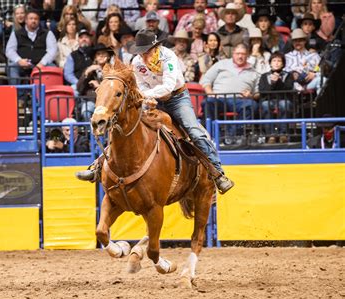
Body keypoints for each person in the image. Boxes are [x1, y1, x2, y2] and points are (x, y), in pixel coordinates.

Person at [76, 29, 235, 194]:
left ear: (156, 47)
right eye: (141, 52)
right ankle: (98, 165)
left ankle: (217, 173)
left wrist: (146, 95)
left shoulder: (168, 57)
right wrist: (147, 97)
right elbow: (141, 83)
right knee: (128, 125)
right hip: (153, 99)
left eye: (147, 51)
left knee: (194, 130)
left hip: (177, 98)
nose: (144, 55)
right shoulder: (137, 62)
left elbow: (169, 85)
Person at [200, 43, 259, 142]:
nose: (240, 56)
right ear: (233, 54)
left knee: (251, 105)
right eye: (238, 53)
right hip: (219, 98)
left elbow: (257, 93)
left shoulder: (253, 71)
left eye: (243, 54)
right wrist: (210, 92)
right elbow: (206, 79)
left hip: (241, 100)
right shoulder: (221, 64)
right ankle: (213, 136)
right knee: (208, 102)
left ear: (247, 55)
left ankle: (232, 136)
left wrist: (251, 96)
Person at [5, 9, 57, 85]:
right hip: (22, 63)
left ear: (39, 21)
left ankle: (46, 94)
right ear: (26, 20)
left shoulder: (47, 33)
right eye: (31, 19)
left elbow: (52, 51)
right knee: (12, 67)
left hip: (41, 64)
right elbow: (9, 50)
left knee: (53, 67)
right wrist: (19, 60)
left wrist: (42, 63)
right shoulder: (16, 34)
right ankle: (18, 94)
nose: (33, 21)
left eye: (36, 19)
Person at [258, 52, 294, 144]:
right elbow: (262, 90)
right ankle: (271, 134)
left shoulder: (288, 75)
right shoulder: (264, 76)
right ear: (270, 63)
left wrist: (278, 81)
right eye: (274, 61)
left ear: (283, 64)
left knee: (284, 104)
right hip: (269, 99)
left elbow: (288, 87)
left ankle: (283, 134)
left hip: (283, 99)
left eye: (279, 61)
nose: (276, 63)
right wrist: (273, 83)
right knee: (265, 105)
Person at [76, 44, 114, 121]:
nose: (101, 56)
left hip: (107, 102)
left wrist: (99, 86)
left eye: (104, 53)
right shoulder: (89, 70)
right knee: (86, 111)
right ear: (95, 58)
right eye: (98, 54)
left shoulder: (113, 71)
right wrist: (86, 73)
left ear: (109, 56)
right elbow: (79, 88)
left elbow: (113, 89)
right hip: (92, 100)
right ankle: (92, 132)